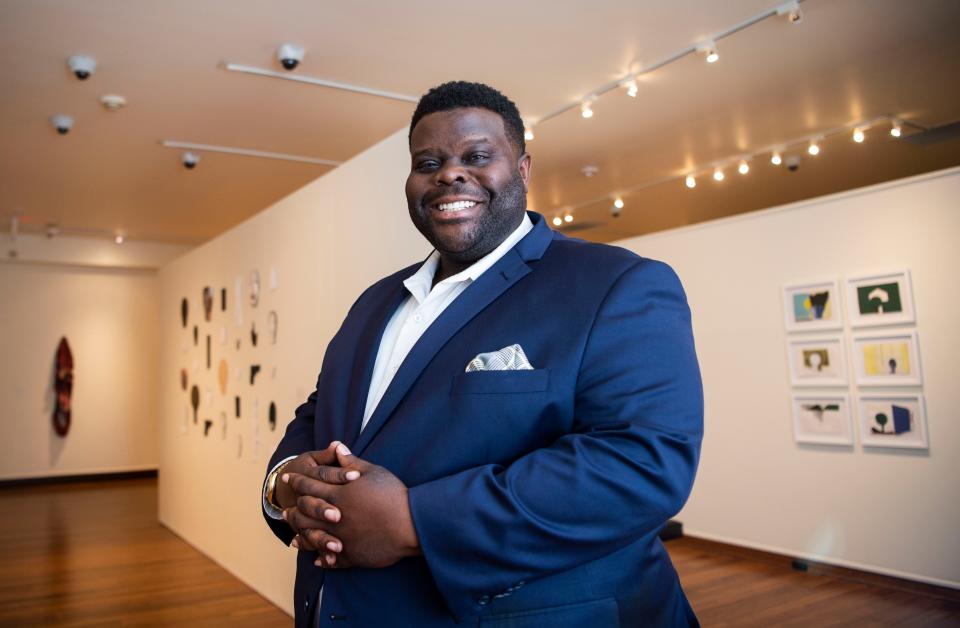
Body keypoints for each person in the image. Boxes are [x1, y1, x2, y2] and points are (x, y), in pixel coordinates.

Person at [262, 81, 703, 627]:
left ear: (522, 170)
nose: (449, 173)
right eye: (428, 161)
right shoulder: (374, 302)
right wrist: (284, 483)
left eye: (476, 156)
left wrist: (413, 521)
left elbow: (639, 464)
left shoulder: (618, 284)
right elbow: (320, 413)